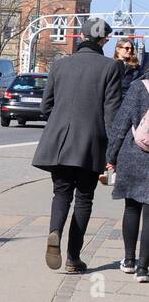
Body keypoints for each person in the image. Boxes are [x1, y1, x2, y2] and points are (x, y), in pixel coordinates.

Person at [32, 17, 124, 273]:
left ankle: (54, 232)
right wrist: (113, 153)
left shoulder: (60, 65)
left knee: (61, 193)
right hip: (90, 144)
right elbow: (112, 114)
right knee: (84, 199)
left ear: (81, 37)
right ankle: (73, 258)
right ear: (103, 40)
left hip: (59, 143)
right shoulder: (111, 67)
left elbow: (44, 107)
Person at [107, 69, 149, 280]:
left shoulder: (138, 88)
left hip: (133, 154)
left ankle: (130, 261)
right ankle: (144, 268)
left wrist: (110, 156)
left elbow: (120, 125)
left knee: (131, 208)